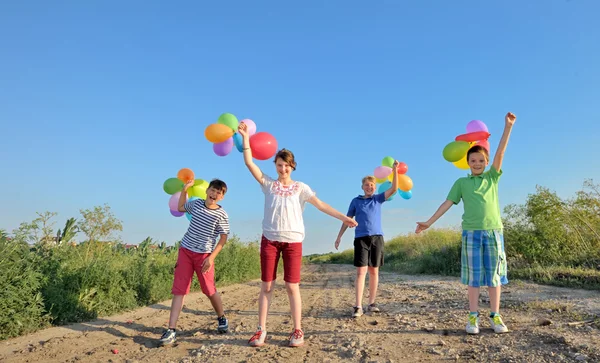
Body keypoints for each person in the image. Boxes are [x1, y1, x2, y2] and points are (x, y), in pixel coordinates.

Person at [238, 122, 358, 348]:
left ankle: (297, 329)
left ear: (292, 166)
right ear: (275, 165)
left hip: (293, 241)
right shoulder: (268, 184)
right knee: (267, 286)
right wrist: (245, 138)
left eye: (286, 165)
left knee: (292, 287)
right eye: (279, 165)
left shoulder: (301, 188)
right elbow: (248, 162)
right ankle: (261, 330)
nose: (282, 169)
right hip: (269, 241)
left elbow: (321, 205)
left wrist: (343, 217)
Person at [415, 112, 517, 335]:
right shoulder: (461, 182)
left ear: (487, 162)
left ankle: (495, 315)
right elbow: (447, 203)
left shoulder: (492, 177)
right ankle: (473, 317)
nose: (477, 163)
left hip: (493, 233)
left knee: (493, 277)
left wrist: (507, 127)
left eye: (481, 161)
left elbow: (500, 152)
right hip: (471, 234)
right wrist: (429, 222)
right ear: (468, 163)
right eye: (473, 161)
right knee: (474, 278)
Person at [158, 179, 231, 345]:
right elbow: (180, 207)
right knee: (180, 289)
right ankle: (171, 330)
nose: (215, 194)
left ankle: (221, 317)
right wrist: (185, 190)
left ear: (222, 197)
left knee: (209, 289)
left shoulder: (222, 214)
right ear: (207, 191)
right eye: (212, 190)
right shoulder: (196, 204)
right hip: (185, 251)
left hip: (204, 256)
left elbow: (223, 238)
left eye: (219, 193)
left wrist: (211, 258)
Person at [335, 160, 399, 318]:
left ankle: (371, 303)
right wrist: (339, 236)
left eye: (372, 185)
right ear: (362, 187)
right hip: (361, 239)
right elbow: (347, 219)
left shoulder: (378, 199)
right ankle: (358, 306)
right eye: (367, 185)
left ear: (375, 187)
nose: (369, 187)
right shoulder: (356, 201)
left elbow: (394, 188)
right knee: (361, 271)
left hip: (377, 238)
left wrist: (395, 170)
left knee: (374, 271)